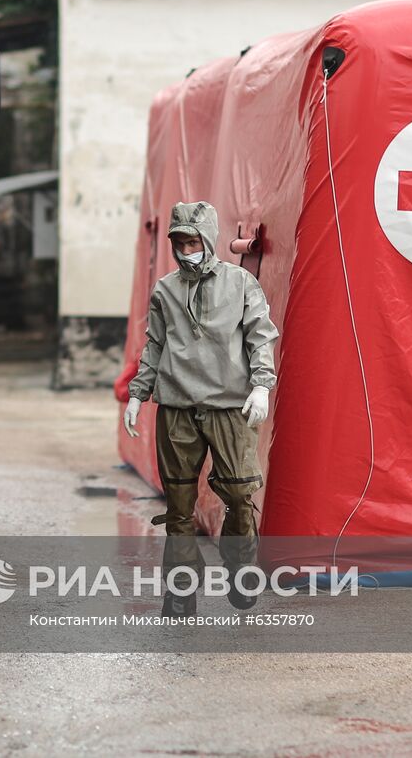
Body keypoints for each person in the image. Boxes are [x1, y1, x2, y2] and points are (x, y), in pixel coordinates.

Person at [124, 201, 279, 617]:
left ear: (208, 241)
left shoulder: (241, 282)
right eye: (179, 242)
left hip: (230, 406)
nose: (185, 248)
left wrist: (262, 385)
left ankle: (240, 570)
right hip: (177, 407)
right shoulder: (165, 290)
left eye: (193, 240)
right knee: (178, 508)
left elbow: (259, 337)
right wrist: (139, 394)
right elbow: (154, 345)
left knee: (240, 496)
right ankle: (181, 592)